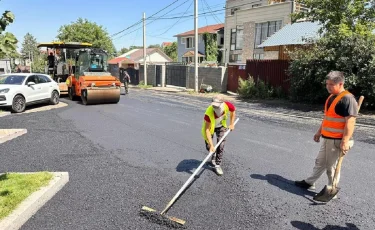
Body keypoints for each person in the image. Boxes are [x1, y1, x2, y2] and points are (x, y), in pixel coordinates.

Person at [295, 71, 358, 199]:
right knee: (320, 161)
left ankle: (331, 190)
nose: (328, 87)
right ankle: (310, 182)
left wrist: (345, 141)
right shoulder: (331, 97)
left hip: (337, 140)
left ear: (340, 84)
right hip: (327, 137)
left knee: (331, 168)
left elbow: (350, 122)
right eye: (327, 84)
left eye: (331, 84)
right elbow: (327, 118)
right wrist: (319, 132)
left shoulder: (347, 99)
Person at [202, 95, 236, 176]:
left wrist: (231, 124)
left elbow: (233, 111)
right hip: (210, 129)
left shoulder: (227, 105)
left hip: (221, 126)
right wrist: (211, 145)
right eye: (213, 105)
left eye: (217, 106)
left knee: (221, 145)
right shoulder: (208, 113)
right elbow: (207, 130)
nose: (215, 107)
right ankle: (213, 157)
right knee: (210, 147)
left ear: (222, 103)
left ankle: (217, 165)